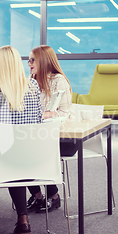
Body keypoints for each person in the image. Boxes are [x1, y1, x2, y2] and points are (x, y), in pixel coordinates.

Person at [0, 46, 42, 234]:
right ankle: (23, 221)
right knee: (15, 165)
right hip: (28, 158)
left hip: (0, 157)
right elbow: (38, 121)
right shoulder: (32, 86)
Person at [26, 45, 75, 213]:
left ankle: (54, 196)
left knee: (34, 150)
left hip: (61, 137)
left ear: (44, 61)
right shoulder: (31, 80)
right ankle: (38, 196)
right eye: (28, 60)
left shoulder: (58, 80)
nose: (29, 63)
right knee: (19, 151)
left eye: (32, 60)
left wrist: (45, 115)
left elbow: (65, 113)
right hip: (36, 133)